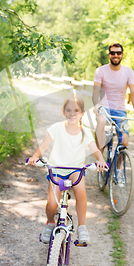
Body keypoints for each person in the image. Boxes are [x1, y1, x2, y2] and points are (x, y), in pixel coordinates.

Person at [27, 95, 108, 245]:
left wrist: (101, 159)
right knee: (52, 203)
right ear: (64, 112)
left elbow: (94, 149)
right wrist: (35, 156)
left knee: (80, 191)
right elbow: (43, 145)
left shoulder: (85, 132)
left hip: (75, 170)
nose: (72, 114)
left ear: (82, 113)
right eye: (68, 110)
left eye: (76, 110)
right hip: (57, 169)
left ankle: (82, 227)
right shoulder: (57, 128)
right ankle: (50, 222)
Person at [92, 43, 134, 151]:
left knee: (124, 143)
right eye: (113, 53)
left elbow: (133, 93)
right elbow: (96, 92)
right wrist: (96, 105)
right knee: (101, 122)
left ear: (122, 55)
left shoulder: (128, 72)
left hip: (120, 110)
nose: (115, 55)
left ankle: (117, 168)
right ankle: (100, 161)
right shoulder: (100, 71)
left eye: (118, 53)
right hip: (104, 109)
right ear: (109, 55)